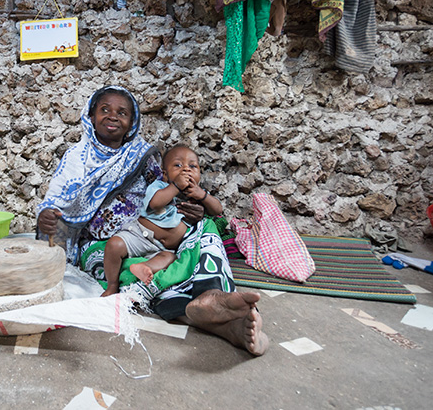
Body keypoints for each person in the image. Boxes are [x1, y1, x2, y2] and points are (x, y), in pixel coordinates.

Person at [36, 85, 268, 356]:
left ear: (132, 122)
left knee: (204, 232)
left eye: (122, 112)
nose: (113, 116)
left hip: (157, 231)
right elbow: (55, 200)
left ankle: (213, 292)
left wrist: (192, 209)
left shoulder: (144, 156)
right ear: (90, 115)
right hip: (104, 245)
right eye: (104, 110)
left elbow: (167, 190)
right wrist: (48, 216)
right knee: (137, 277)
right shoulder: (76, 159)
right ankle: (224, 323)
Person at [101, 144, 223, 297]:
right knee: (114, 245)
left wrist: (203, 196)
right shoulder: (160, 186)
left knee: (169, 259)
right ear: (165, 175)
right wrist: (176, 186)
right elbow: (155, 203)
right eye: (178, 165)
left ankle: (144, 268)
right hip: (139, 235)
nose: (186, 169)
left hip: (163, 249)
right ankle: (112, 285)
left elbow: (217, 210)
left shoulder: (198, 195)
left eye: (193, 166)